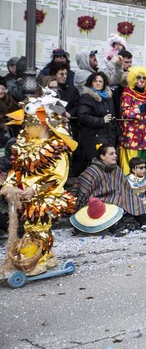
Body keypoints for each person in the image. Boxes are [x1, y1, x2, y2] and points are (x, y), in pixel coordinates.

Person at [1, 93, 78, 276]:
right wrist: (9, 184)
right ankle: (37, 255)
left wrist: (35, 188)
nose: (25, 126)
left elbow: (58, 177)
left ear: (43, 123)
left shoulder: (56, 148)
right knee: (28, 227)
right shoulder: (25, 143)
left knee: (39, 226)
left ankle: (42, 258)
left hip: (44, 196)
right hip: (22, 196)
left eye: (30, 122)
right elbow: (17, 170)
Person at [75, 145, 146, 232]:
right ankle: (117, 226)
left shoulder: (116, 169)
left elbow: (125, 187)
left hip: (116, 199)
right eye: (111, 154)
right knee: (110, 201)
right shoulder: (91, 172)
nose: (115, 156)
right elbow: (83, 193)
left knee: (130, 196)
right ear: (102, 156)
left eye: (115, 153)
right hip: (100, 202)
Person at [119, 66, 146, 175]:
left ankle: (140, 182)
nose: (142, 80)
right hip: (131, 134)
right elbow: (125, 111)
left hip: (145, 134)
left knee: (141, 160)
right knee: (131, 161)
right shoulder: (128, 92)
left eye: (144, 77)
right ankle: (128, 182)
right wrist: (142, 108)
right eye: (138, 77)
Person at [77, 72, 119, 164]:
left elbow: (113, 115)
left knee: (108, 165)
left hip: (109, 136)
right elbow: (82, 116)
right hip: (93, 137)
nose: (98, 83)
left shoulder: (108, 97)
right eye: (95, 81)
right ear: (90, 82)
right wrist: (101, 120)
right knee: (96, 164)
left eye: (100, 81)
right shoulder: (86, 97)